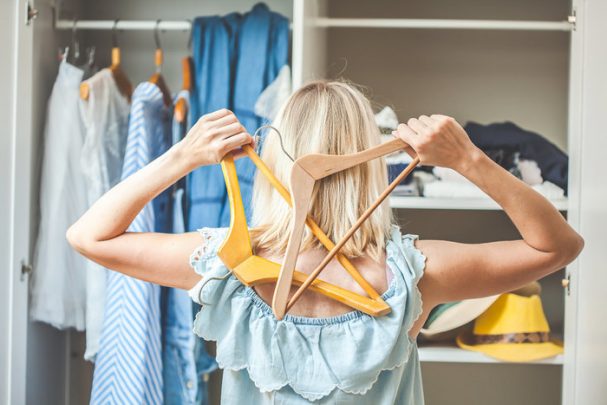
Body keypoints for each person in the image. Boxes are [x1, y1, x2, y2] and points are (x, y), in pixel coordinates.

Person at [67, 81, 583, 404]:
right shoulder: (413, 274)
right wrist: (468, 160)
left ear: (276, 152)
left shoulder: (226, 261)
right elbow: (556, 248)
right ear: (369, 161)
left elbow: (88, 236)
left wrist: (182, 157)